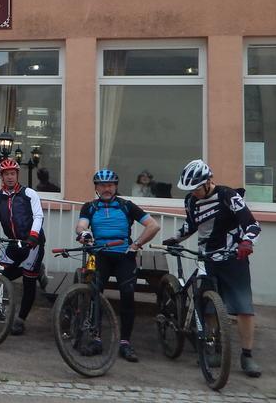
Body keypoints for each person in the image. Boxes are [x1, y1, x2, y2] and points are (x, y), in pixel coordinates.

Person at [164, 159, 263, 378]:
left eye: (197, 188)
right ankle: (213, 346)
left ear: (209, 181)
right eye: (190, 190)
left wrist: (246, 243)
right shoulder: (191, 201)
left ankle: (247, 355)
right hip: (206, 258)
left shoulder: (229, 196)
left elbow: (252, 225)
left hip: (232, 257)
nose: (194, 193)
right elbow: (191, 224)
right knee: (208, 306)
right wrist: (175, 238)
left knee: (244, 307)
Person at [73, 169, 160, 362]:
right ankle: (96, 339)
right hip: (98, 254)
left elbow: (153, 225)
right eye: (103, 185)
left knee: (128, 295)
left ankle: (125, 343)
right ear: (96, 187)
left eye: (110, 185)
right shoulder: (89, 207)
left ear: (116, 187)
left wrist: (136, 244)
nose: (107, 188)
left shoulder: (126, 206)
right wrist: (84, 233)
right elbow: (81, 226)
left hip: (124, 255)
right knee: (94, 294)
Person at [0, 158, 44, 336]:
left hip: (32, 243)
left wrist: (33, 235)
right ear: (1, 176)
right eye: (6, 174)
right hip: (12, 243)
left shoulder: (29, 194)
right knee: (0, 274)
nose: (10, 177)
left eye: (13, 174)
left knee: (28, 280)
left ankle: (20, 320)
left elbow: (38, 216)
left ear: (17, 175)